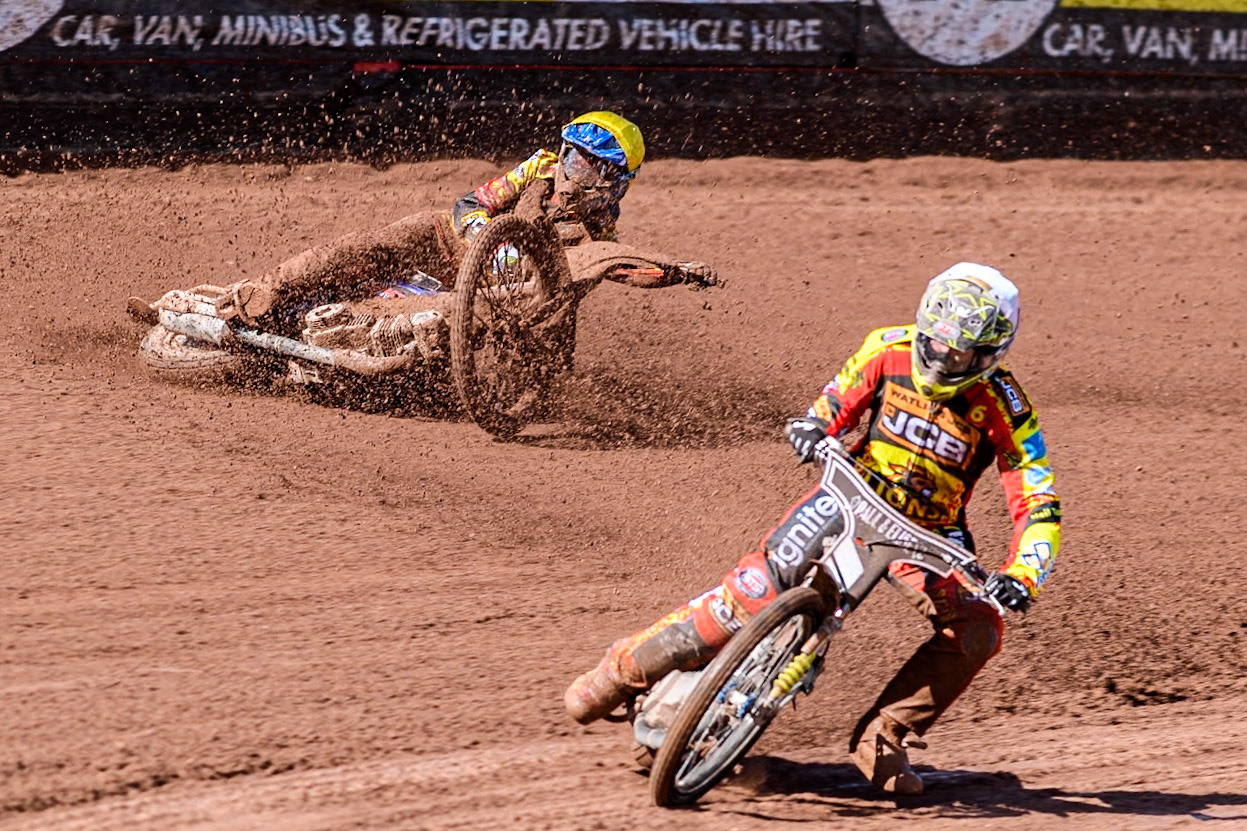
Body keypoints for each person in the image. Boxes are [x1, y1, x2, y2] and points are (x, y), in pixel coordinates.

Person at [563, 262, 1061, 795]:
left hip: (927, 534)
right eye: (935, 343)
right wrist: (814, 425)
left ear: (991, 354)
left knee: (980, 627)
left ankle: (884, 738)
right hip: (848, 494)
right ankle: (624, 670)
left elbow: (1039, 503)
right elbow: (835, 402)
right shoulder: (887, 348)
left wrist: (1022, 575)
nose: (941, 358)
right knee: (747, 596)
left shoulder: (1009, 409)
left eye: (959, 354)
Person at [214, 110, 715, 327]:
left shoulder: (600, 228)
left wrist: (674, 272)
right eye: (570, 155)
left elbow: (617, 264)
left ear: (611, 179)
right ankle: (265, 291)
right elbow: (469, 205)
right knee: (401, 231)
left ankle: (355, 321)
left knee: (441, 315)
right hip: (460, 246)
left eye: (585, 164)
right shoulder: (538, 166)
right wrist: (485, 236)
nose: (569, 170)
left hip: (499, 297)